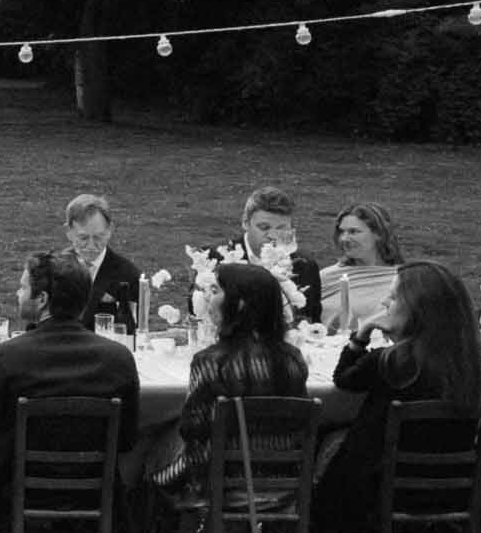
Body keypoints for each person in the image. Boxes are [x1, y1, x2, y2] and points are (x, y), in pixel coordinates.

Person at [314, 261, 481, 532]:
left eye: (394, 296)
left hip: (381, 489)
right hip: (453, 489)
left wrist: (360, 336)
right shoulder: (470, 363)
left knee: (329, 440)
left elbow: (344, 379)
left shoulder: (391, 361)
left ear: (418, 310)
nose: (385, 301)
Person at [0, 252, 140, 522]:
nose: (18, 294)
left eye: (24, 288)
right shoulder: (117, 358)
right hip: (95, 494)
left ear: (43, 299)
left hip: (14, 495)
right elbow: (127, 440)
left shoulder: (7, 356)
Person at [147, 265, 310, 496]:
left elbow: (193, 428)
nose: (207, 298)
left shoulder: (212, 362)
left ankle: (157, 527)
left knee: (152, 454)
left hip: (219, 479)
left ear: (240, 304)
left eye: (215, 291)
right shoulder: (292, 358)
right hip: (282, 477)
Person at [218, 186, 323, 323]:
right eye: (264, 227)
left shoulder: (305, 265)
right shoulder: (217, 258)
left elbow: (311, 320)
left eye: (281, 228)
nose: (273, 236)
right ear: (245, 222)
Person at [319, 202, 404, 334]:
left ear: (379, 234)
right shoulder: (326, 277)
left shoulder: (403, 279)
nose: (344, 238)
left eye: (353, 231)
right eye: (341, 232)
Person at [63, 193, 142, 335]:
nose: (91, 245)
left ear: (110, 230)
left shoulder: (129, 275)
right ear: (69, 232)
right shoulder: (53, 269)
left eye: (98, 237)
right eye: (83, 238)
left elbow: (134, 331)